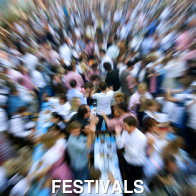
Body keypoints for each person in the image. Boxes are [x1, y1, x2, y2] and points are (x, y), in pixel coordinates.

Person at [115, 116, 147, 194]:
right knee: (128, 178)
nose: (123, 127)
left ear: (132, 126)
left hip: (136, 163)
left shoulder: (141, 137)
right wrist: (118, 135)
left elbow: (134, 154)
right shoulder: (126, 131)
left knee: (134, 183)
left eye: (125, 125)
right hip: (127, 160)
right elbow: (119, 146)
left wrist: (125, 144)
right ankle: (127, 190)